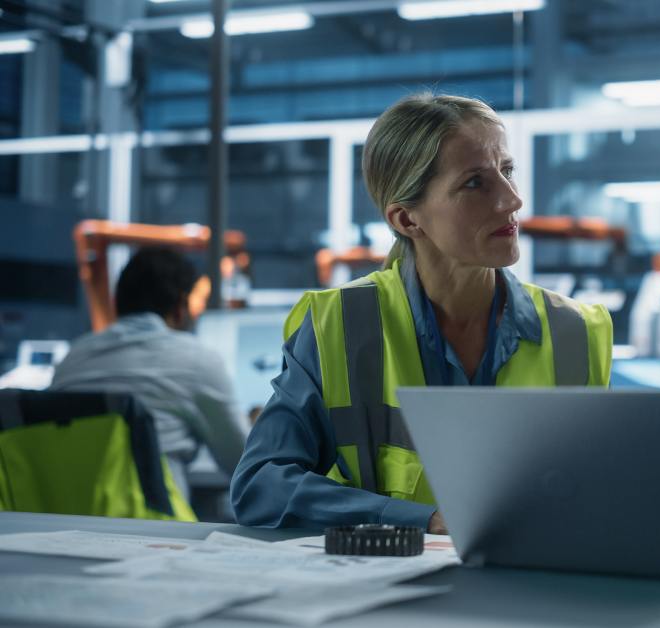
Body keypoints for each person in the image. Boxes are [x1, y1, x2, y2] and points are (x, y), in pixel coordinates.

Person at [231, 94, 613, 532]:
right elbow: (260, 485)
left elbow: (597, 494)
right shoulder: (338, 325)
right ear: (408, 220)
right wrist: (423, 522)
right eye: (475, 183)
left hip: (537, 589)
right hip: (386, 590)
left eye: (506, 172)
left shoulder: (576, 332)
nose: (512, 200)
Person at [51, 247, 246, 503]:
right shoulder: (196, 359)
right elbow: (244, 463)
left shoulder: (73, 357)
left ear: (118, 303)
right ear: (179, 306)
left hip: (65, 522)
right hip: (153, 527)